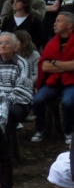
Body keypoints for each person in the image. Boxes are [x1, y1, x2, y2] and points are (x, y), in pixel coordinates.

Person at [31, 12, 74, 145]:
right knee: (37, 100)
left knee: (68, 102)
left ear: (69, 25)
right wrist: (67, 65)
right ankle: (40, 130)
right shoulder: (52, 43)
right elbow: (44, 66)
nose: (54, 23)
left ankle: (69, 131)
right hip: (54, 82)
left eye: (58, 21)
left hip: (72, 82)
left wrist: (55, 63)